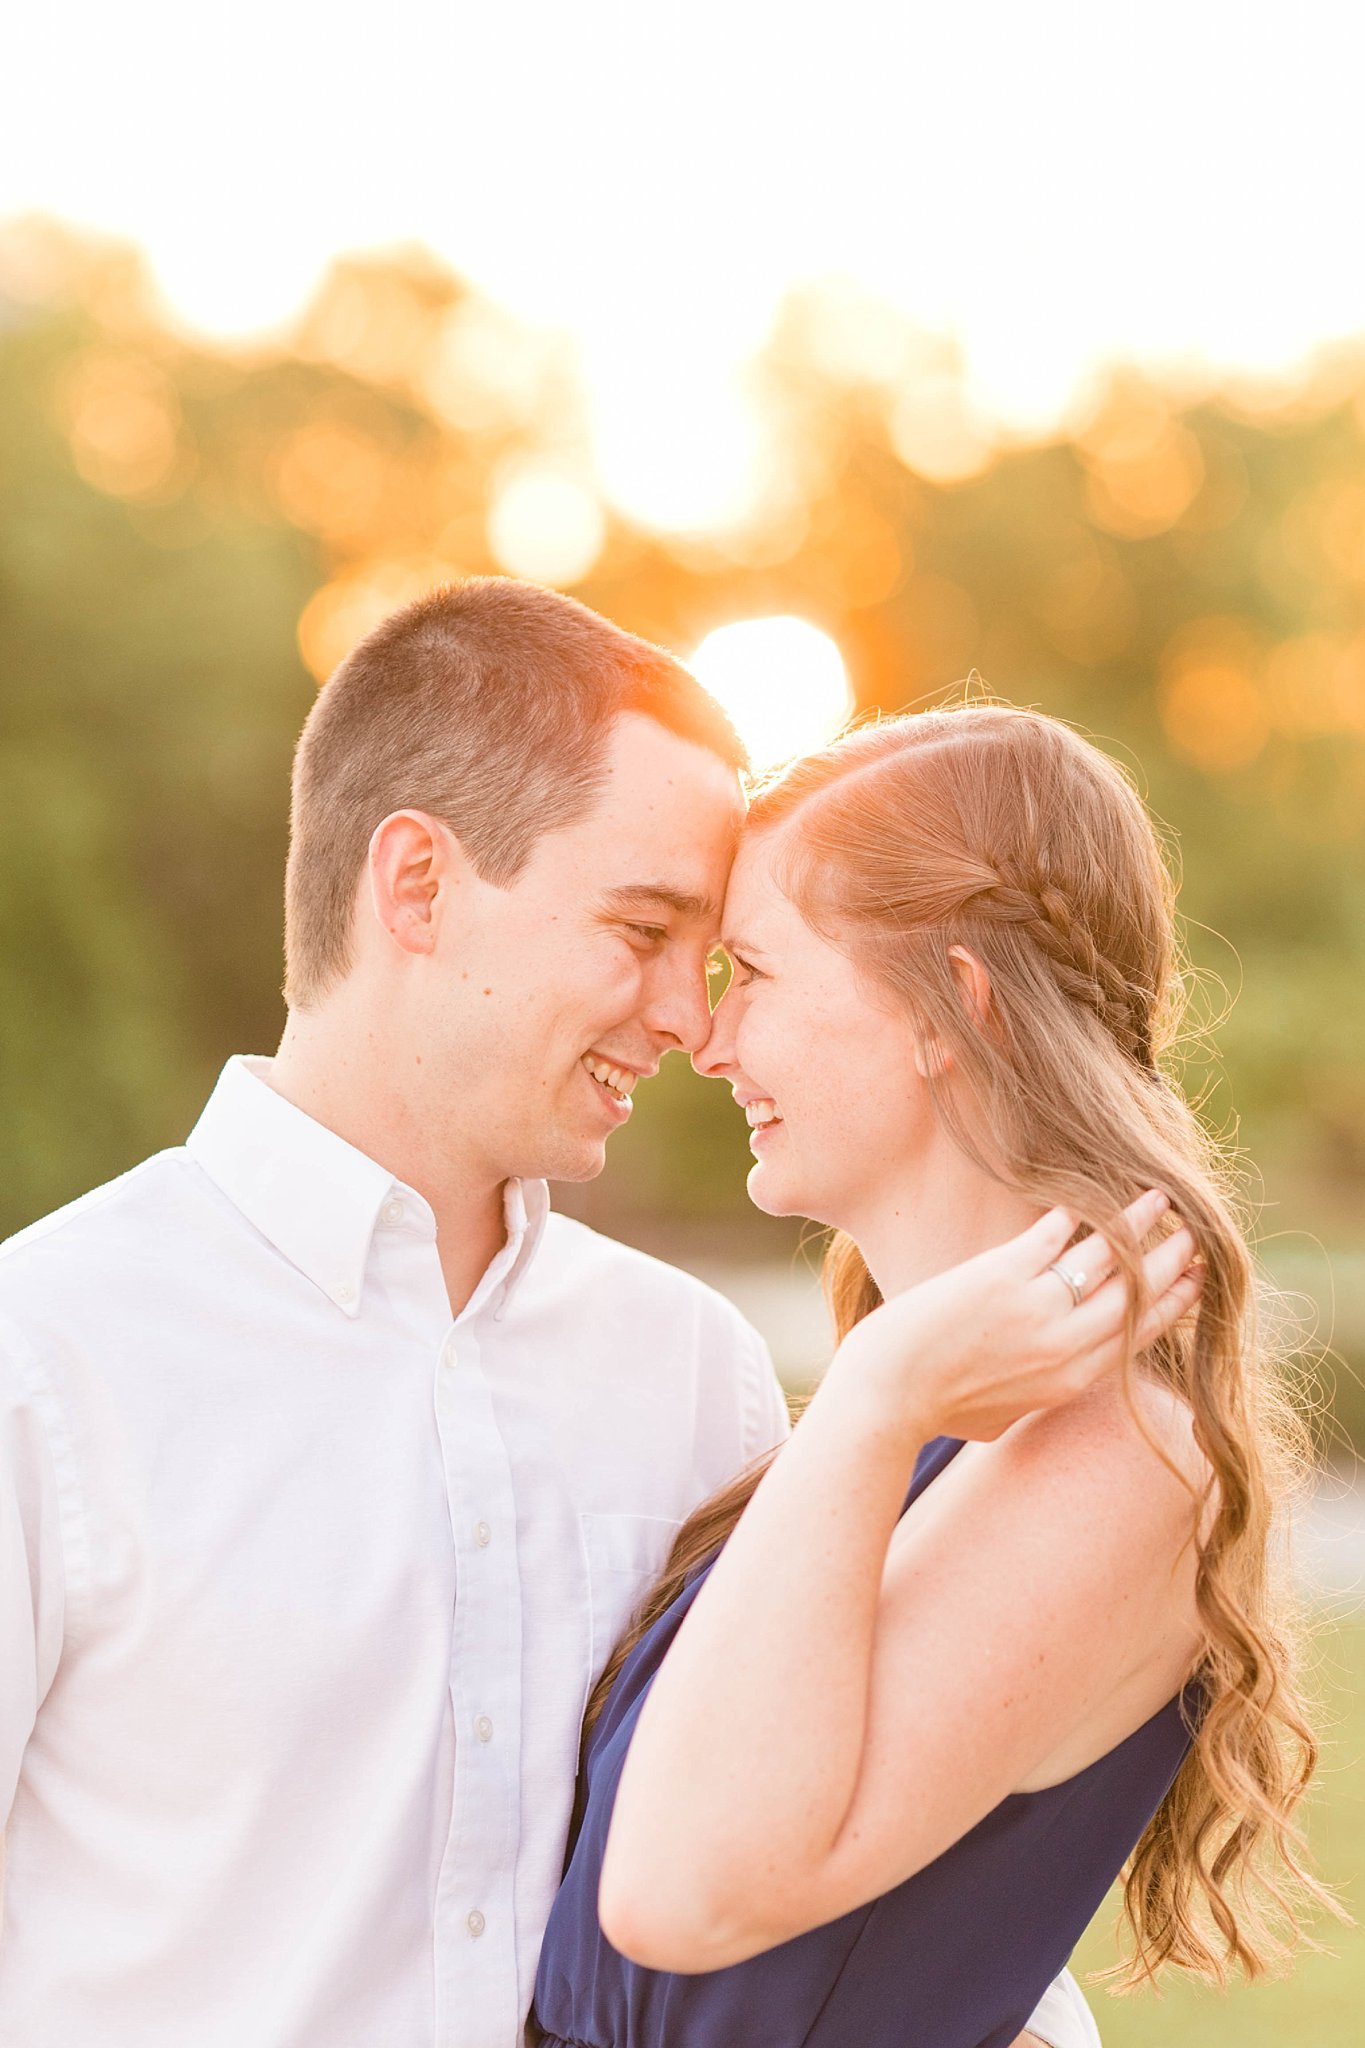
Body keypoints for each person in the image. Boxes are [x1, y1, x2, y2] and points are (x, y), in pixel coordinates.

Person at [0, 584, 1086, 2048]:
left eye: (708, 958)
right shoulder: (46, 1358)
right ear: (417, 885)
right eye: (642, 931)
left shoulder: (692, 1372)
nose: (688, 1021)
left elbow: (838, 1852)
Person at [533, 706, 1327, 2048]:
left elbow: (675, 1902)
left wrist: (870, 1397)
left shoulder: (1116, 1453)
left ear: (947, 1005)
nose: (709, 1042)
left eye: (755, 973)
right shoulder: (928, 1421)